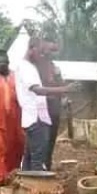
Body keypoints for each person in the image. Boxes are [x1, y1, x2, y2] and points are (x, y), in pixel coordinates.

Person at [14, 38, 75, 171]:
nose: (43, 56)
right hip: (36, 119)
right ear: (32, 48)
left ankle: (26, 186)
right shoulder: (26, 68)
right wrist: (64, 89)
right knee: (38, 161)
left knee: (31, 157)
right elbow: (37, 90)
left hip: (38, 117)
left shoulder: (32, 66)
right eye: (41, 52)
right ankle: (38, 189)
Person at [35, 37, 64, 170]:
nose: (52, 52)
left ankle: (47, 165)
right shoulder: (36, 65)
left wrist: (63, 95)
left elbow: (60, 86)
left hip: (54, 109)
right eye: (51, 49)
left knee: (51, 139)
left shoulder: (54, 67)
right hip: (41, 108)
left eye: (54, 50)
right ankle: (38, 167)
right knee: (42, 141)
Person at [0, 50, 23, 183]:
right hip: (1, 123)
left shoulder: (16, 76)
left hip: (16, 123)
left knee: (17, 149)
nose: (3, 65)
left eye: (5, 62)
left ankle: (12, 175)